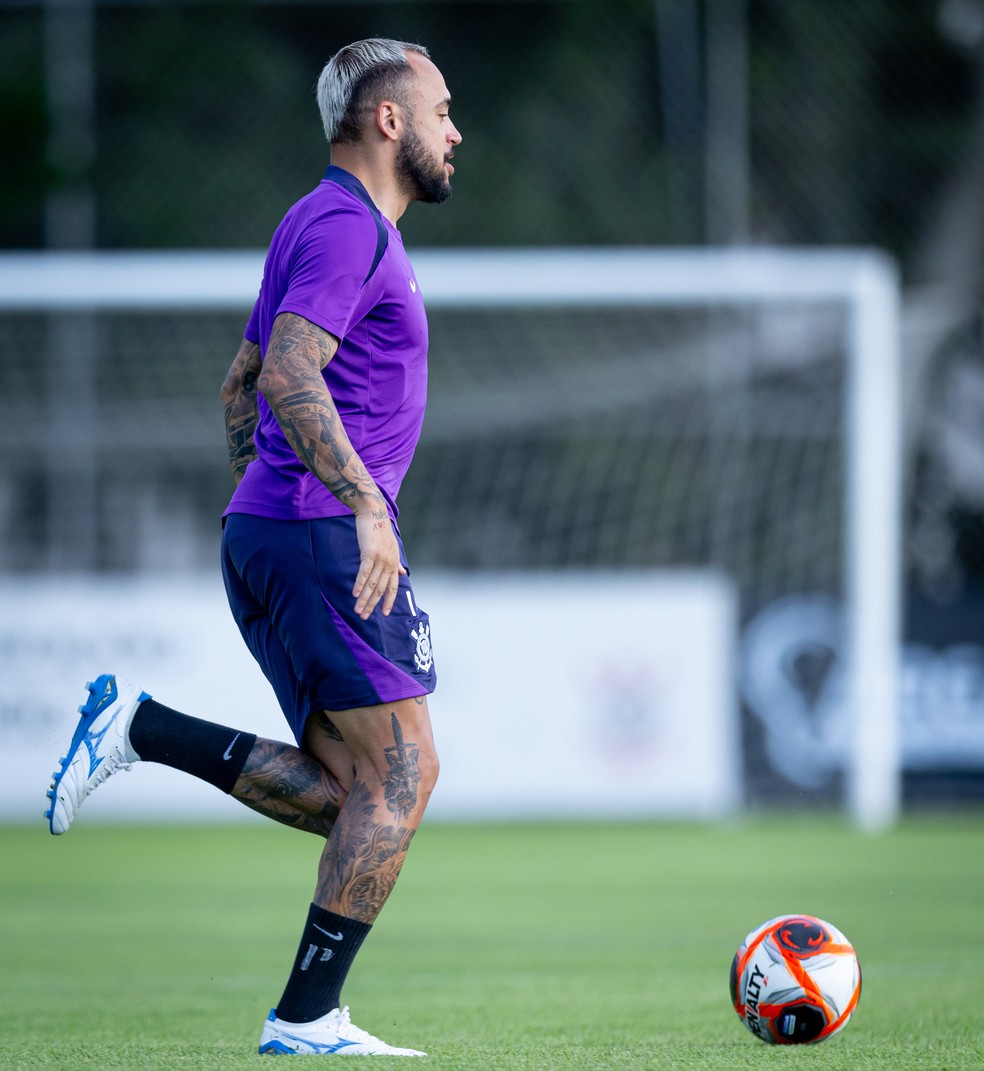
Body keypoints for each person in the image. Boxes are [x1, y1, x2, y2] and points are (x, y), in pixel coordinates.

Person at [44, 37, 461, 1057]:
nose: (457, 131)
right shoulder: (343, 227)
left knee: (364, 799)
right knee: (401, 783)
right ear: (389, 121)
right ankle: (306, 1018)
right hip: (320, 529)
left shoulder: (317, 222)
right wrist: (355, 506)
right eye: (442, 109)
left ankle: (143, 731)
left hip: (284, 529)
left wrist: (266, 512)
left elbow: (238, 381)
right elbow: (283, 377)